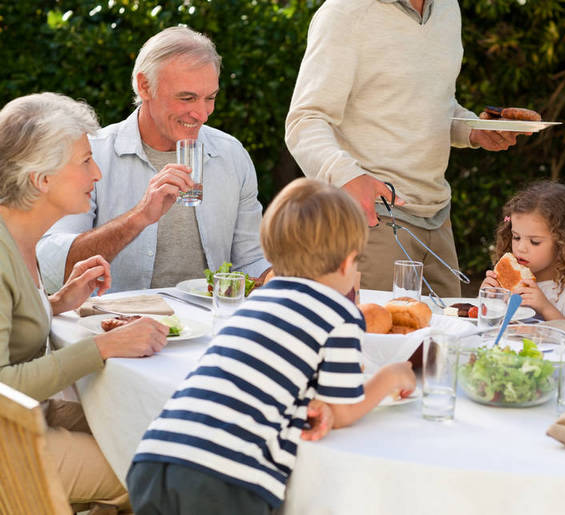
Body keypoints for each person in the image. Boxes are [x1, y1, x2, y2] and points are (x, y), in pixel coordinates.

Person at [126, 178, 416, 514]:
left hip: (156, 456)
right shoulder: (340, 315)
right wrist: (393, 377)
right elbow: (344, 410)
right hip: (226, 479)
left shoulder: (256, 302)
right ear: (346, 264)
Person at [285, 0, 530, 298]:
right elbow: (304, 121)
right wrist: (348, 177)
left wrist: (473, 129)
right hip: (371, 220)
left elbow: (434, 104)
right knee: (370, 340)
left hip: (438, 218)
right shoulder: (344, 12)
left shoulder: (447, 9)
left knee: (445, 342)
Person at [0, 93, 171, 513]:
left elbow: (13, 318)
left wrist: (58, 301)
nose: (96, 174)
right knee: (158, 475)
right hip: (8, 440)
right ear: (41, 179)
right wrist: (103, 347)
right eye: (83, 162)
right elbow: (3, 387)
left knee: (159, 435)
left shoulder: (20, 238)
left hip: (27, 418)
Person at [36, 26, 270, 294]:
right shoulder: (91, 155)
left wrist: (281, 274)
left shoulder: (231, 155)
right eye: (187, 98)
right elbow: (52, 266)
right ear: (145, 85)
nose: (202, 115)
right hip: (112, 325)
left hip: (211, 328)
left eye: (210, 98)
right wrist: (139, 216)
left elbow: (250, 261)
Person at [481, 181, 565, 321]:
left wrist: (545, 308)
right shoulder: (508, 283)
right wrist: (488, 299)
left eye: (534, 242)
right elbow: (486, 325)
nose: (521, 248)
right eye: (516, 237)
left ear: (564, 244)